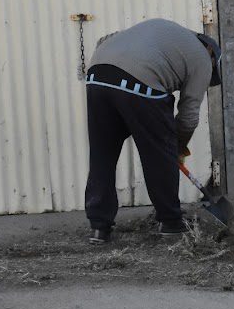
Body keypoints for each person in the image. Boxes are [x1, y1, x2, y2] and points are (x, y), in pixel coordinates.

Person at [84, 18, 222, 244]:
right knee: (159, 155)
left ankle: (99, 227)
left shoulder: (166, 34)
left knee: (102, 154)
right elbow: (188, 118)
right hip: (140, 81)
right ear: (212, 54)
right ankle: (170, 223)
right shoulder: (203, 59)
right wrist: (176, 148)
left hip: (97, 77)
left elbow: (104, 40)